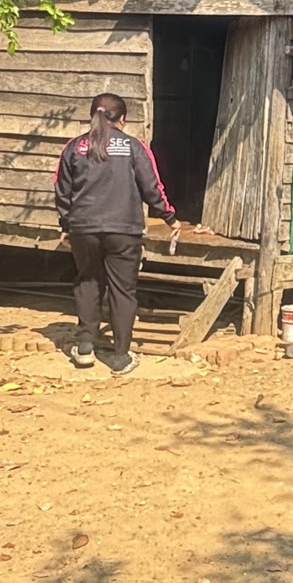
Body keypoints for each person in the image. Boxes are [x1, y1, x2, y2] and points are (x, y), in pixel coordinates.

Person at [53, 93, 179, 377]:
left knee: (88, 281)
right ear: (122, 119)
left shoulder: (73, 147)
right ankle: (120, 356)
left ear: (92, 116)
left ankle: (85, 346)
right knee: (123, 290)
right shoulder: (134, 146)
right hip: (124, 229)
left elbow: (61, 190)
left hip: (83, 228)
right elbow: (152, 186)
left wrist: (66, 225)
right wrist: (170, 217)